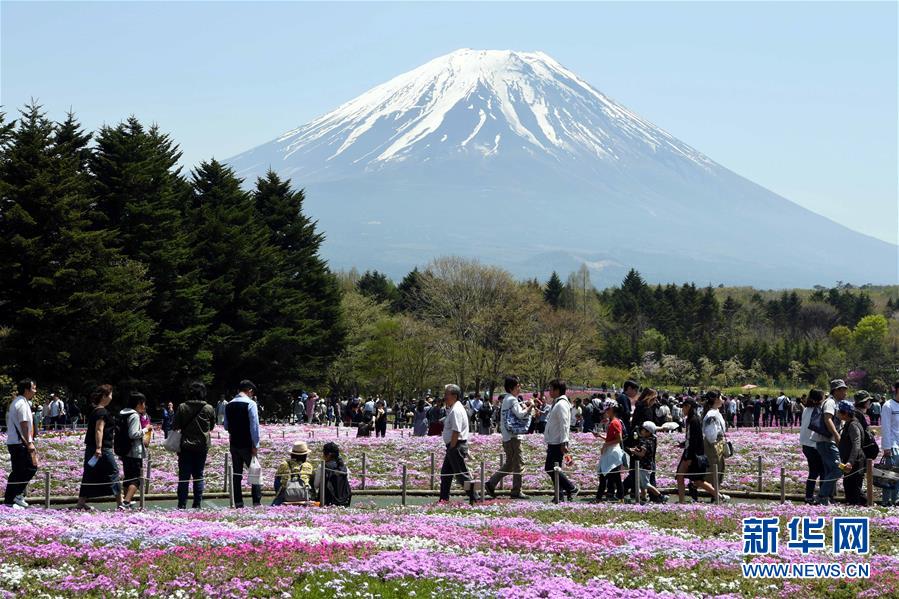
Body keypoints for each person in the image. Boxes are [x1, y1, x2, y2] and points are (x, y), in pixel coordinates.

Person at [76, 385, 122, 510]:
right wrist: (99, 447)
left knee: (89, 473)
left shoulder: (95, 410)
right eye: (110, 394)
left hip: (92, 447)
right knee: (113, 471)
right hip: (102, 448)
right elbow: (99, 430)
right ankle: (120, 503)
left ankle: (81, 502)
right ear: (104, 396)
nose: (112, 397)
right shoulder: (102, 412)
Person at [486, 376, 531, 499]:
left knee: (510, 464)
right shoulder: (512, 399)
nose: (519, 388)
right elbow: (521, 415)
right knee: (518, 464)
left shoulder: (507, 399)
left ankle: (491, 483)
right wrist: (530, 406)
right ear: (512, 388)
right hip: (513, 437)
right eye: (518, 386)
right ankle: (516, 490)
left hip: (507, 436)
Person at [174, 381, 216, 509]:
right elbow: (212, 426)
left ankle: (181, 504)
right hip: (201, 446)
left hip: (185, 446)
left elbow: (176, 425)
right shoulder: (209, 408)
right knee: (199, 475)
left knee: (184, 476)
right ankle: (197, 503)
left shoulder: (182, 407)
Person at [224, 380, 262, 508]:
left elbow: (226, 426)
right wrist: (255, 445)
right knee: (254, 472)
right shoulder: (251, 404)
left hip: (234, 443)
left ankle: (238, 502)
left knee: (236, 473)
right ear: (249, 390)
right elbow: (254, 426)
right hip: (247, 443)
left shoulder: (228, 405)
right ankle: (256, 502)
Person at [675, 398, 720, 504]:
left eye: (683, 407)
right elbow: (691, 438)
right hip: (691, 452)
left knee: (686, 477)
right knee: (696, 480)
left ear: (688, 407)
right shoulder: (691, 419)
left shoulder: (693, 420)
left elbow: (694, 440)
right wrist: (683, 444)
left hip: (692, 454)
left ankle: (682, 502)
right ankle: (718, 496)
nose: (682, 410)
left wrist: (689, 457)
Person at [4, 379, 38, 509]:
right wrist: (30, 443)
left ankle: (13, 497)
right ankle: (13, 497)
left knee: (19, 471)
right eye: (34, 388)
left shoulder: (19, 402)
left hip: (16, 442)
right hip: (20, 443)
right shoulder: (22, 404)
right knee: (29, 468)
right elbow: (24, 425)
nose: (35, 391)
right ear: (26, 389)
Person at [439, 384, 475, 502]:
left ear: (454, 396)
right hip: (453, 445)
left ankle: (475, 496)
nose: (445, 397)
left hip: (455, 445)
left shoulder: (456, 410)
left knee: (461, 475)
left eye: (446, 394)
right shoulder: (454, 408)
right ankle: (443, 498)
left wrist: (452, 447)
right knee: (446, 473)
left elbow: (456, 430)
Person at [544, 379, 578, 502]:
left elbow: (564, 424)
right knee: (554, 468)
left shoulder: (561, 404)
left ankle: (571, 487)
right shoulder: (558, 403)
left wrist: (564, 441)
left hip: (557, 441)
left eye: (551, 389)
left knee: (550, 468)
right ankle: (559, 495)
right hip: (554, 440)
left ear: (557, 390)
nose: (549, 392)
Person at [812, 379, 846, 505]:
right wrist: (837, 435)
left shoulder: (835, 402)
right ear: (835, 390)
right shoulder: (831, 402)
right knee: (838, 469)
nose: (845, 393)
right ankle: (821, 496)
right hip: (827, 441)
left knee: (829, 470)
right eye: (842, 390)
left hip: (826, 441)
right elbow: (828, 419)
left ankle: (826, 498)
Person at [115, 391, 151, 510]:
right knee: (136, 479)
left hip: (125, 451)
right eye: (143, 403)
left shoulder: (123, 413)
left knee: (128, 477)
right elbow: (133, 434)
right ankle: (126, 502)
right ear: (138, 403)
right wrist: (146, 429)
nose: (144, 406)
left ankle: (126, 501)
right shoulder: (134, 415)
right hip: (134, 451)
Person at [594, 399, 626, 502]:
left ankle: (599, 497)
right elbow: (612, 439)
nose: (605, 412)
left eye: (607, 410)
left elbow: (619, 439)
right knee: (614, 476)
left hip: (612, 452)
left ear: (611, 409)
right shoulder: (614, 422)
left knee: (604, 474)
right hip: (612, 451)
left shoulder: (614, 423)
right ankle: (620, 496)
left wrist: (605, 444)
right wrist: (601, 436)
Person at [628, 421, 667, 504]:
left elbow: (642, 454)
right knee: (642, 484)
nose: (641, 431)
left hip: (644, 465)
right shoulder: (653, 439)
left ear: (648, 432)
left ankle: (660, 496)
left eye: (643, 430)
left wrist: (633, 451)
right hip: (648, 464)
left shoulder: (645, 441)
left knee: (646, 484)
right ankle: (643, 498)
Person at [701, 391, 729, 501]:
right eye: (721, 397)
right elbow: (710, 435)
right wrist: (718, 438)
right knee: (714, 468)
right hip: (713, 445)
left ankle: (715, 493)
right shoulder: (711, 415)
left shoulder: (716, 412)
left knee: (719, 467)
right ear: (716, 399)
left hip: (718, 443)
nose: (723, 399)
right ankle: (714, 494)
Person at [837, 400, 865, 506]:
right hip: (851, 461)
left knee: (853, 488)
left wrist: (850, 462)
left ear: (845, 413)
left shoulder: (853, 425)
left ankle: (860, 507)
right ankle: (857, 506)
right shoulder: (849, 423)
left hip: (855, 462)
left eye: (839, 411)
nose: (838, 413)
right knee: (849, 486)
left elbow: (856, 445)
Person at [800, 390, 825, 504]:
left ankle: (808, 496)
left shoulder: (806, 409)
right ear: (820, 399)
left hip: (805, 445)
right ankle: (822, 496)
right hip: (815, 445)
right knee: (823, 471)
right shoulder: (819, 410)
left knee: (813, 472)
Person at [273, 441, 314, 506]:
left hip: (285, 496)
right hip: (304, 496)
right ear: (305, 455)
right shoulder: (308, 466)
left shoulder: (284, 464)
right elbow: (312, 482)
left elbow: (277, 481)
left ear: (292, 454)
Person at [312, 442, 352, 506]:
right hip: (344, 501)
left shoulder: (322, 466)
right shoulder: (343, 467)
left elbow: (316, 485)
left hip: (327, 501)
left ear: (328, 455)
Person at [880, 381, 899, 506]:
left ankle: (895, 499)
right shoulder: (888, 405)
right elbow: (885, 427)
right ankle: (886, 501)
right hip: (892, 445)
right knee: (890, 475)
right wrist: (886, 447)